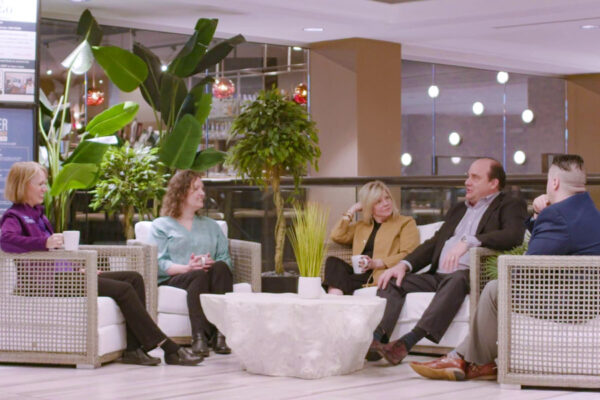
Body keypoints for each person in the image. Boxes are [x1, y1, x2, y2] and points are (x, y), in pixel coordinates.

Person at [410, 154, 600, 381]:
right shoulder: (590, 212)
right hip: (587, 298)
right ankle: (463, 357)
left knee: (495, 289)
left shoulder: (557, 215)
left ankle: (473, 360)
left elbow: (525, 271)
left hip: (568, 303)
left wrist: (541, 216)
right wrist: (540, 216)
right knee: (499, 289)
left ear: (555, 182)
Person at [0, 161, 202, 366]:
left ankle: (134, 349)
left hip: (61, 277)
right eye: (40, 184)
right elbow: (5, 240)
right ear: (24, 186)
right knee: (122, 289)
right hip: (43, 284)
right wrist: (43, 241)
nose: (45, 189)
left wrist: (79, 268)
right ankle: (167, 347)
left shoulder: (39, 216)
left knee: (133, 278)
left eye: (45, 184)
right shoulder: (14, 216)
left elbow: (55, 255)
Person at [368, 158, 528, 364]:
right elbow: (435, 243)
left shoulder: (510, 204)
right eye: (467, 176)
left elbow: (513, 235)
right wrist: (403, 265)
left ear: (493, 183)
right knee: (393, 280)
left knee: (458, 278)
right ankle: (377, 341)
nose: (467, 182)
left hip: (470, 276)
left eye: (475, 177)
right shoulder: (459, 209)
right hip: (438, 276)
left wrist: (470, 241)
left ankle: (407, 342)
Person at [152, 170, 233, 357]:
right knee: (197, 274)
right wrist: (188, 268)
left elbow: (225, 259)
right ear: (180, 193)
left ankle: (221, 334)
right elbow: (159, 263)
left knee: (221, 267)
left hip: (207, 275)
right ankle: (199, 337)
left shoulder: (212, 226)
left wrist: (210, 263)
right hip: (175, 277)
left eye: (202, 188)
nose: (202, 193)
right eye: (196, 188)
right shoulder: (161, 226)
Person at [324, 180, 419, 295]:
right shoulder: (362, 226)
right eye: (378, 201)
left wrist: (376, 263)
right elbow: (336, 235)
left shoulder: (405, 222)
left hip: (380, 275)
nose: (386, 203)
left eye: (387, 198)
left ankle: (334, 302)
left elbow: (409, 254)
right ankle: (336, 301)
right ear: (369, 206)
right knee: (332, 262)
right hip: (358, 275)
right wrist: (351, 210)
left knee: (335, 285)